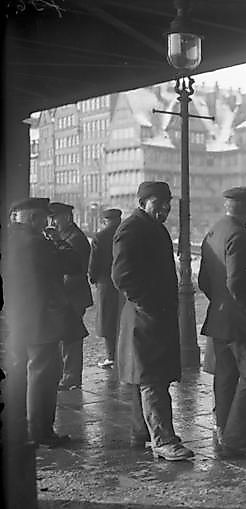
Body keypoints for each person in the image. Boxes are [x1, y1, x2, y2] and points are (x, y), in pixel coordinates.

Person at [112, 181, 194, 461]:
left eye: (167, 203)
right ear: (142, 202)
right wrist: (149, 304)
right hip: (145, 317)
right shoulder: (132, 228)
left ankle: (142, 432)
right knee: (152, 380)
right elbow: (122, 276)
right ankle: (163, 440)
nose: (164, 209)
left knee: (145, 378)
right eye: (158, 203)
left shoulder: (151, 226)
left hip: (149, 317)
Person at [198, 187, 246, 458]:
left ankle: (223, 429)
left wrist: (221, 304)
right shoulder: (241, 237)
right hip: (242, 323)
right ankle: (238, 438)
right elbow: (238, 282)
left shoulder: (214, 231)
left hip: (219, 319)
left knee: (226, 377)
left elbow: (204, 281)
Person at [6, 197, 83, 447]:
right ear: (34, 218)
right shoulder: (39, 243)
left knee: (18, 371)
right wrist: (57, 239)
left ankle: (18, 426)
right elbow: (74, 264)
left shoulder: (8, 240)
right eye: (43, 219)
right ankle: (40, 431)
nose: (46, 223)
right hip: (41, 320)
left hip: (14, 318)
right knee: (43, 375)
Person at [48, 202, 92, 390]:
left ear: (66, 218)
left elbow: (75, 272)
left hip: (72, 296)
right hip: (68, 296)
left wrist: (57, 290)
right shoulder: (67, 236)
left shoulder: (75, 239)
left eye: (55, 219)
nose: (52, 223)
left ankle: (71, 376)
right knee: (66, 336)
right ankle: (67, 374)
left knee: (71, 338)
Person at [89, 208, 124, 369]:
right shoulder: (127, 232)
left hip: (105, 282)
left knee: (107, 320)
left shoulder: (100, 237)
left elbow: (94, 262)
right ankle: (124, 354)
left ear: (105, 221)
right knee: (122, 318)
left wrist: (93, 277)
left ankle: (111, 356)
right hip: (124, 282)